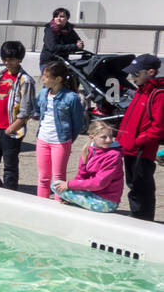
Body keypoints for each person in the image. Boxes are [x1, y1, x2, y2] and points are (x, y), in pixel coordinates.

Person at [0, 41, 36, 190]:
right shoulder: (1, 74)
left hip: (9, 129)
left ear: (19, 59)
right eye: (4, 59)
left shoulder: (25, 80)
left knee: (10, 165)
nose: (7, 62)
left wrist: (12, 128)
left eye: (11, 59)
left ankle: (9, 192)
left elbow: (27, 109)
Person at [117, 53, 164, 220]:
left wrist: (139, 141)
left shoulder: (158, 94)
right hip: (130, 149)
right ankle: (138, 219)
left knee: (141, 189)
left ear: (150, 72)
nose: (132, 77)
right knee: (134, 186)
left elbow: (158, 127)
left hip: (141, 152)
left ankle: (143, 221)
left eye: (136, 73)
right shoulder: (141, 91)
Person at [32, 60, 85, 199]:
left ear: (58, 79)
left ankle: (58, 206)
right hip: (42, 139)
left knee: (58, 179)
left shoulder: (71, 98)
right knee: (43, 177)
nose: (42, 79)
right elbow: (37, 111)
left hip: (60, 142)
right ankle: (41, 205)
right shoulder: (43, 93)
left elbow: (78, 123)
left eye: (46, 76)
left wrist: (67, 139)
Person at [52, 121, 124, 213]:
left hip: (107, 202)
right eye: (104, 137)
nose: (109, 140)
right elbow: (81, 176)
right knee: (56, 185)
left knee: (62, 186)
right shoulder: (87, 151)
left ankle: (77, 202)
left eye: (111, 136)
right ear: (92, 138)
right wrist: (70, 188)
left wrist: (69, 185)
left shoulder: (114, 155)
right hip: (92, 194)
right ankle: (75, 201)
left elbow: (99, 183)